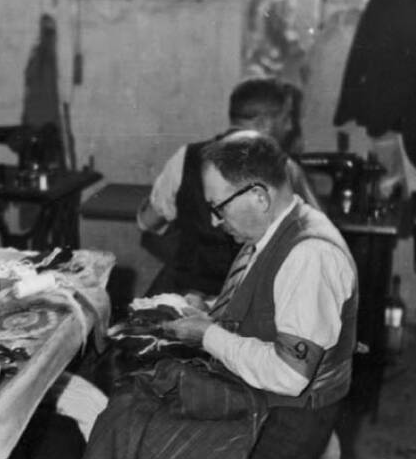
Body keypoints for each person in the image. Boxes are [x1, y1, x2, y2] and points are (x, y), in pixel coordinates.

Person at [48, 132, 357, 459]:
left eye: (219, 207)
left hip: (286, 424)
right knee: (125, 408)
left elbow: (290, 373)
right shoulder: (276, 230)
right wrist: (210, 311)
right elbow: (271, 314)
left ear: (260, 196)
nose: (214, 220)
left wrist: (209, 334)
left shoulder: (309, 255)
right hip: (263, 398)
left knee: (134, 442)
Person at [137, 77, 321, 297]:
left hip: (189, 296)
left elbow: (148, 222)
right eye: (286, 118)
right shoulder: (286, 169)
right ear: (264, 123)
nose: (290, 126)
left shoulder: (186, 157)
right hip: (252, 303)